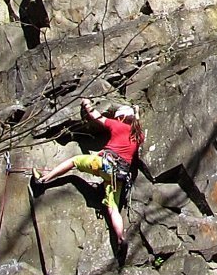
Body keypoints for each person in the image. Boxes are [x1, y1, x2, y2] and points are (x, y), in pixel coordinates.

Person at [36, 99, 142, 249]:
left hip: (105, 165)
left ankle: (43, 181)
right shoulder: (139, 135)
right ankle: (121, 239)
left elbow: (96, 116)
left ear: (122, 118)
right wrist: (137, 112)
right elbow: (137, 122)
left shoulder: (118, 125)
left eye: (118, 117)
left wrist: (86, 104)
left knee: (75, 160)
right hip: (119, 176)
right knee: (113, 207)